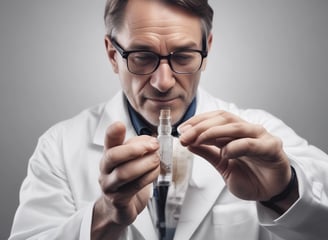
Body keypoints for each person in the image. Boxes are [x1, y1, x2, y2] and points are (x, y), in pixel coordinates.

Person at [9, 0, 328, 239]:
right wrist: (104, 216)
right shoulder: (60, 147)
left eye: (183, 56)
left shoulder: (260, 133)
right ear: (111, 54)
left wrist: (284, 191)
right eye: (142, 57)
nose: (163, 81)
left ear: (208, 49)